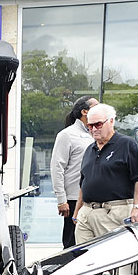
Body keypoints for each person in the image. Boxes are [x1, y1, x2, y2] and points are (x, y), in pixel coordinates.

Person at [74, 103, 138, 275]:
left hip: (114, 211)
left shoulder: (127, 144)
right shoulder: (89, 149)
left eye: (98, 124)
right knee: (82, 263)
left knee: (119, 265)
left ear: (111, 121)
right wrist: (77, 212)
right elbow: (84, 182)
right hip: (87, 212)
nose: (93, 129)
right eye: (89, 126)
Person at [51, 96, 98, 249]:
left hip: (95, 198)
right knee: (72, 244)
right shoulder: (67, 134)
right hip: (73, 198)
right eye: (96, 107)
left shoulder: (97, 134)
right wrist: (61, 200)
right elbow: (57, 167)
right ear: (85, 111)